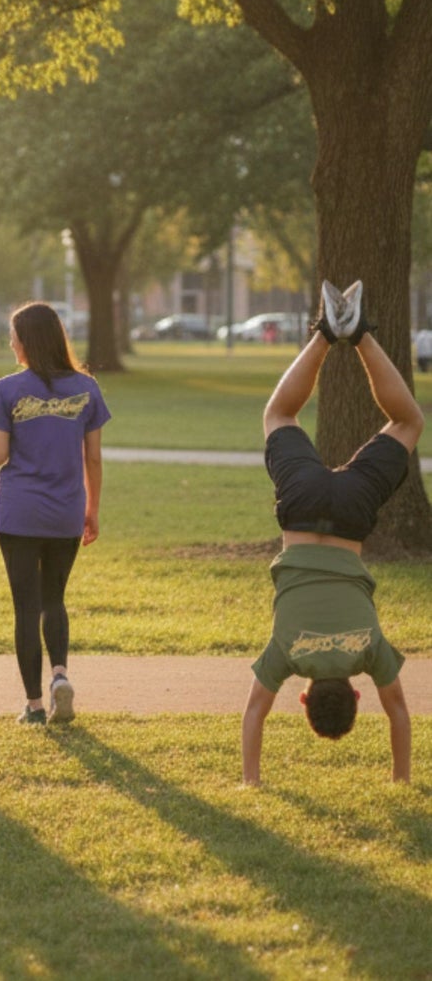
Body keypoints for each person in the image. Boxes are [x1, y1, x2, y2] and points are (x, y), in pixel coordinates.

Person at [240, 281, 419, 785]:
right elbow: (254, 712)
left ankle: (357, 332)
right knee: (279, 416)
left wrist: (402, 778)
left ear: (356, 694)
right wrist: (250, 780)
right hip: (301, 510)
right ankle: (324, 331)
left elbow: (399, 711)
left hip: (351, 514)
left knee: (407, 422)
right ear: (304, 698)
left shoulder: (369, 652)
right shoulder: (286, 653)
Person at [0, 301, 109, 725]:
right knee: (54, 599)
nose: (10, 344)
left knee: (26, 608)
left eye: (13, 337)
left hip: (18, 513)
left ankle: (34, 706)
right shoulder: (86, 388)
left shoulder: (6, 390)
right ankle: (59, 676)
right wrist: (91, 509)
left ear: (26, 341)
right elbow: (93, 458)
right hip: (65, 512)